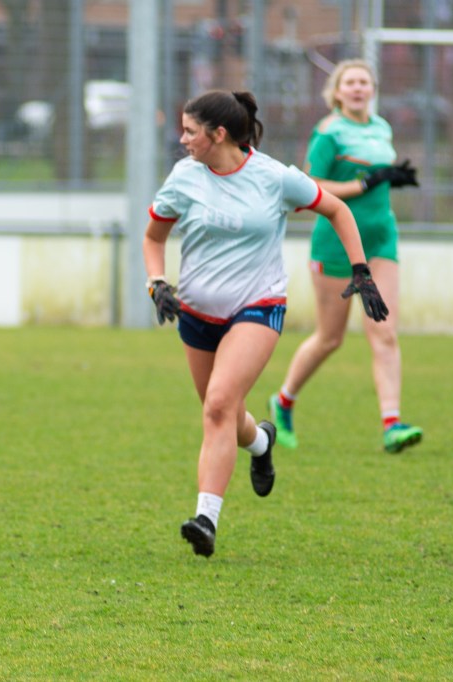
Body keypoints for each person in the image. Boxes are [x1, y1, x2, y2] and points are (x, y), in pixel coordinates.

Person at [143, 90, 389, 558]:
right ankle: (260, 442)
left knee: (218, 405)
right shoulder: (183, 177)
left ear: (219, 134)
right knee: (225, 414)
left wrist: (361, 270)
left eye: (190, 131)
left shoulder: (274, 177)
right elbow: (153, 237)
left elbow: (337, 209)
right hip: (196, 314)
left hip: (258, 308)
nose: (183, 139)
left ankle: (205, 519)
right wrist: (156, 282)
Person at [268, 60, 422, 455]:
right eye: (349, 82)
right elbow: (310, 185)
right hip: (335, 245)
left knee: (384, 331)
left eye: (363, 82)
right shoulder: (329, 132)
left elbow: (374, 179)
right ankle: (283, 401)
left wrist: (389, 178)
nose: (357, 88)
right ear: (336, 92)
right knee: (329, 338)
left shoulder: (381, 127)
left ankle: (392, 424)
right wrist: (364, 183)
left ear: (373, 89)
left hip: (381, 240)